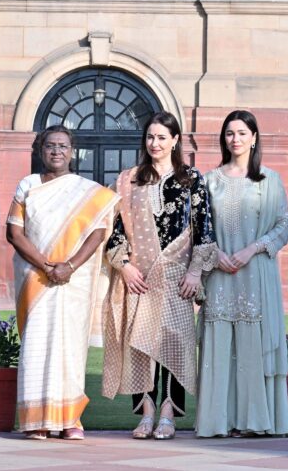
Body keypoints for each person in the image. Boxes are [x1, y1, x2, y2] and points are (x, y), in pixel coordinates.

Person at [102, 111, 216, 441]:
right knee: (139, 345)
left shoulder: (191, 179)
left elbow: (204, 229)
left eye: (162, 137)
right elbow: (113, 228)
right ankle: (147, 413)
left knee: (173, 343)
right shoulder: (129, 180)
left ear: (175, 140)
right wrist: (124, 266)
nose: (155, 143)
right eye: (150, 137)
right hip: (140, 276)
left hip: (178, 277)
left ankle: (168, 413)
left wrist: (196, 272)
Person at [5, 125, 120, 441]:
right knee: (36, 345)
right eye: (50, 146)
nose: (56, 151)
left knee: (70, 347)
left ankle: (70, 420)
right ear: (41, 151)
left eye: (62, 146)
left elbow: (99, 231)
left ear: (73, 151)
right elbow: (14, 232)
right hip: (36, 279)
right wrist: (47, 266)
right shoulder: (28, 185)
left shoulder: (86, 190)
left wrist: (69, 266)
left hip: (74, 282)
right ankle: (36, 421)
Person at [195, 110, 288, 438]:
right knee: (221, 343)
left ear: (253, 138)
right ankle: (218, 422)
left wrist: (251, 249)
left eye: (241, 133)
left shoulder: (270, 180)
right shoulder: (209, 181)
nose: (235, 139)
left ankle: (255, 421)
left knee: (252, 345)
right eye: (229, 133)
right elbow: (197, 228)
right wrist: (216, 254)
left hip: (257, 274)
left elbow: (284, 225)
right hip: (220, 274)